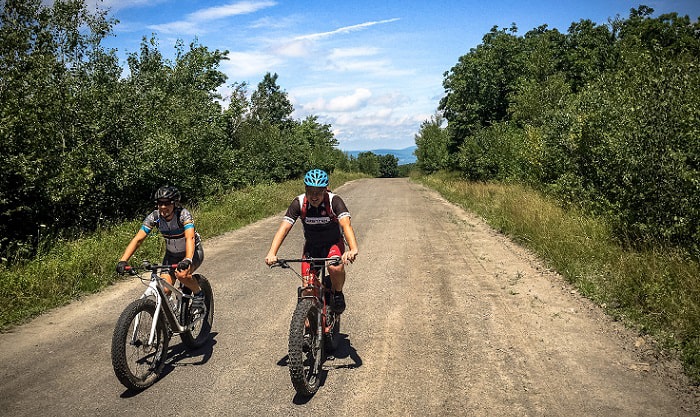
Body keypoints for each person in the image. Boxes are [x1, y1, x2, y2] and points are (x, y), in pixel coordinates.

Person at [265, 169, 359, 313]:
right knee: (307, 290)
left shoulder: (334, 201)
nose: (314, 196)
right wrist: (272, 252)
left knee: (334, 267)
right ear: (305, 189)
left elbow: (346, 225)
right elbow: (283, 229)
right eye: (310, 191)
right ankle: (309, 323)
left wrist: (353, 249)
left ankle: (338, 293)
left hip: (333, 244)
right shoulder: (299, 202)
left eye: (318, 192)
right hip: (312, 247)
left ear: (325, 190)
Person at [116, 185, 206, 312]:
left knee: (182, 275)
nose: (163, 207)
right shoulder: (154, 217)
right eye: (160, 203)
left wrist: (187, 259)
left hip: (192, 253)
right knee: (164, 290)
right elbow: (138, 239)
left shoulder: (183, 215)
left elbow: (189, 238)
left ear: (174, 203)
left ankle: (198, 293)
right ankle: (171, 318)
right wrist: (123, 260)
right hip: (172, 256)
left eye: (167, 203)